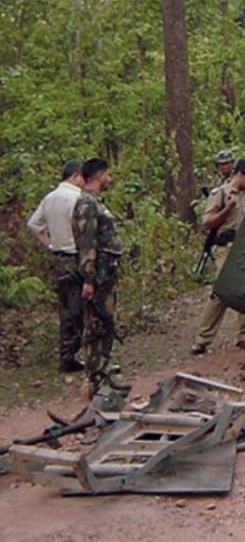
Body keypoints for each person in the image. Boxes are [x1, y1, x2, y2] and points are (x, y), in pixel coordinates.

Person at [191, 158, 245, 355]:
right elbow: (207, 223)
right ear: (242, 175)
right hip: (226, 248)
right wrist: (227, 209)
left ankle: (244, 336)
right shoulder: (220, 194)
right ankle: (203, 339)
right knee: (221, 292)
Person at [71, 158, 129, 396]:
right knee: (95, 323)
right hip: (97, 274)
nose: (109, 179)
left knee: (105, 322)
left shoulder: (95, 202)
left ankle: (104, 370)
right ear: (98, 175)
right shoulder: (86, 203)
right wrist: (88, 278)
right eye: (107, 174)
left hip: (106, 272)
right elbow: (87, 242)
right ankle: (95, 377)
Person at [27, 159, 87, 373]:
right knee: (84, 306)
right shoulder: (79, 198)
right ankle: (82, 352)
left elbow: (34, 225)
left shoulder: (50, 198)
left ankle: (67, 354)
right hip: (77, 256)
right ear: (76, 176)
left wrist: (51, 244)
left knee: (66, 308)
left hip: (60, 258)